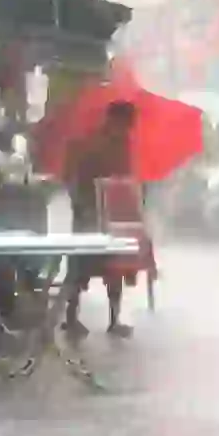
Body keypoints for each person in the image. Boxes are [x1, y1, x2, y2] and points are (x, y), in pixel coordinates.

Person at [63, 100, 137, 338]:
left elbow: (124, 178)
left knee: (114, 268)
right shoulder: (90, 143)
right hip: (87, 212)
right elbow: (72, 176)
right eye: (126, 124)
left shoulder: (124, 144)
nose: (128, 130)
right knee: (77, 268)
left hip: (112, 216)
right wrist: (78, 203)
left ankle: (114, 321)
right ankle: (70, 318)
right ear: (114, 120)